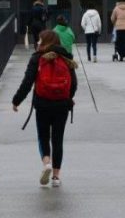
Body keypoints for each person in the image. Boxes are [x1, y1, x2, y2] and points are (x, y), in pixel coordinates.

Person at [13, 30, 78, 188]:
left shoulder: (37, 58)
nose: (38, 42)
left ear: (45, 41)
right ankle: (56, 177)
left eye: (40, 39)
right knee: (58, 139)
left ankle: (47, 163)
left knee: (43, 136)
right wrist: (67, 98)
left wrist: (17, 100)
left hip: (42, 103)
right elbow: (74, 84)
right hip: (61, 104)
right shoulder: (66, 57)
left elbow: (27, 82)